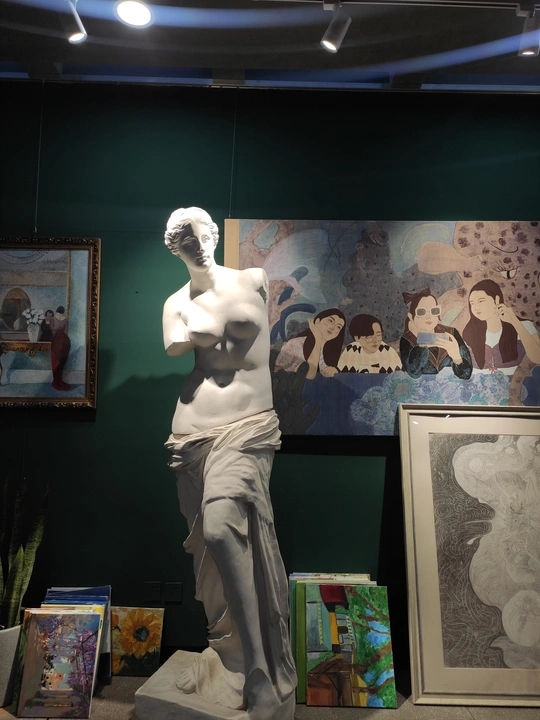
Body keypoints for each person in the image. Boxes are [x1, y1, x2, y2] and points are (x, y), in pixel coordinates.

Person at [162, 207, 296, 720]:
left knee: (220, 529)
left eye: (202, 235)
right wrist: (190, 329)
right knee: (209, 551)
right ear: (175, 249)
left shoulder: (253, 279)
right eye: (186, 241)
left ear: (214, 235)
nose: (198, 246)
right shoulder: (175, 303)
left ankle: (260, 669)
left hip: (248, 427)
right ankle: (233, 655)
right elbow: (175, 346)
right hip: (191, 434)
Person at [463, 279, 540, 374]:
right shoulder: (469, 331)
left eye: (481, 301)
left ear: (496, 299)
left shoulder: (523, 325)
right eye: (472, 303)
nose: (476, 308)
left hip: (514, 382)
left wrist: (514, 322)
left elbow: (538, 358)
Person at [400, 288, 472, 379]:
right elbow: (413, 373)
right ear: (411, 317)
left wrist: (457, 357)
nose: (429, 316)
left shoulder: (451, 333)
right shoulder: (407, 339)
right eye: (421, 312)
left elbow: (467, 374)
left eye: (434, 311)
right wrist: (422, 345)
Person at [274, 308, 345, 379]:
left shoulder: (324, 351)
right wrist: (318, 339)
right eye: (330, 321)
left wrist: (332, 371)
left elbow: (320, 372)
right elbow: (310, 374)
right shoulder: (295, 344)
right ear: (317, 322)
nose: (333, 327)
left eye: (338, 327)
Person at [338, 314, 402, 374]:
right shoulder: (351, 350)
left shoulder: (388, 352)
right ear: (357, 338)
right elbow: (342, 375)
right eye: (369, 337)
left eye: (378, 335)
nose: (375, 341)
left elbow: (398, 376)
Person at [50, 305, 70, 390]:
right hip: (65, 341)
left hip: (56, 340)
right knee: (61, 361)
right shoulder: (66, 320)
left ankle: (56, 381)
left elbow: (52, 330)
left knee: (55, 360)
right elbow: (66, 331)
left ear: (57, 310)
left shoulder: (53, 319)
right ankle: (59, 380)